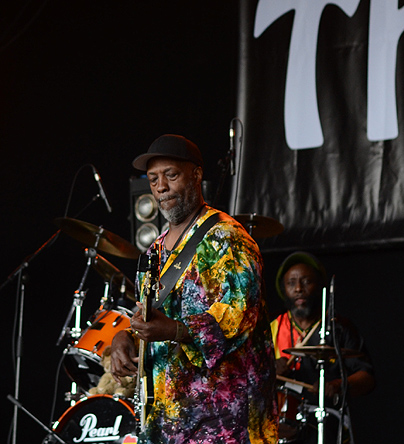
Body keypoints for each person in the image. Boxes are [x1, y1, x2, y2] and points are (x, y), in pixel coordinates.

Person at [109, 134, 277, 444]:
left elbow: (239, 317)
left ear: (196, 175)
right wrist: (127, 337)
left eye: (171, 175)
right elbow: (152, 319)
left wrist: (175, 330)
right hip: (167, 421)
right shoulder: (153, 253)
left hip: (223, 420)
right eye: (153, 179)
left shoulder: (227, 237)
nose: (161, 187)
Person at [270, 252, 374, 443]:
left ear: (319, 286)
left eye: (306, 281)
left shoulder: (339, 328)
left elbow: (366, 378)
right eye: (291, 283)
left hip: (329, 421)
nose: (299, 288)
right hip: (282, 423)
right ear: (283, 289)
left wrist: (337, 385)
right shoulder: (273, 329)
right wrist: (269, 369)